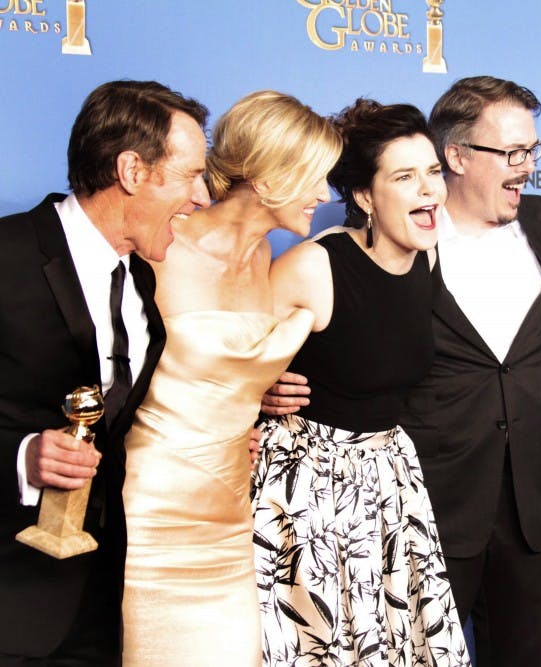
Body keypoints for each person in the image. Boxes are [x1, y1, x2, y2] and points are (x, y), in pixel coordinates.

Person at [264, 76, 541, 666]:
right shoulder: (344, 259)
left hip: (482, 497)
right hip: (374, 502)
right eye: (407, 176)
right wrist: (261, 388)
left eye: (530, 151)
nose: (525, 165)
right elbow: (230, 356)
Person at [119, 91, 339, 666]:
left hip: (230, 516)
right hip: (149, 516)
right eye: (315, 177)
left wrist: (259, 394)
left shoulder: (266, 255)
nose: (325, 194)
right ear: (268, 180)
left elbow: (227, 370)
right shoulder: (161, 251)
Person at [251, 99, 469, 666]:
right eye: (405, 176)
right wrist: (259, 392)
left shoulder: (428, 257)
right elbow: (221, 374)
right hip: (307, 496)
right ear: (366, 197)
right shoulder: (313, 266)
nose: (429, 190)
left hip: (389, 484)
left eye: (433, 172)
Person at [0, 80, 208, 664]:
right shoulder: (8, 255)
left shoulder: (141, 279)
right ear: (132, 171)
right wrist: (21, 457)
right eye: (190, 175)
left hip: (100, 601)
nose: (202, 196)